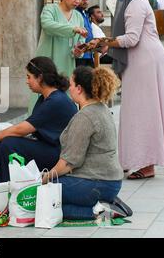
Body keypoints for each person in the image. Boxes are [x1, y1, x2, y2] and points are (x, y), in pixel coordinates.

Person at [95, 0, 164, 179]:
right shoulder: (135, 2)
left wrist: (105, 41)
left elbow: (131, 39)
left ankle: (146, 164)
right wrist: (107, 45)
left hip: (146, 62)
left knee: (143, 112)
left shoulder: (136, 4)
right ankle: (132, 160)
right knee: (136, 111)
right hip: (142, 62)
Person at [0, 57, 77, 183]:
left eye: (29, 77)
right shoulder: (47, 98)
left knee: (8, 143)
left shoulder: (55, 100)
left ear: (40, 77)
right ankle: (4, 186)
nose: (27, 81)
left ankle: (9, 187)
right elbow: (27, 127)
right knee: (3, 141)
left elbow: (22, 129)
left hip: (60, 156)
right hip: (51, 148)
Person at [42, 66, 128, 220]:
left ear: (79, 89)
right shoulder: (102, 108)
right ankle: (103, 204)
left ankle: (102, 210)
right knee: (51, 199)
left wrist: (46, 178)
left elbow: (69, 163)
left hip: (95, 184)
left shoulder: (85, 117)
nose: (69, 89)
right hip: (110, 183)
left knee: (44, 201)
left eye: (71, 84)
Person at [29, 0, 88, 113]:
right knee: (41, 100)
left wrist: (79, 51)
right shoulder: (50, 9)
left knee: (65, 99)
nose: (77, 1)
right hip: (46, 64)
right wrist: (73, 29)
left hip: (66, 66)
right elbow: (48, 25)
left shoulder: (78, 17)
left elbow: (78, 44)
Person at [75, 0, 94, 67]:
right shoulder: (75, 13)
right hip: (80, 54)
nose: (85, 1)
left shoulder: (85, 14)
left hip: (89, 53)